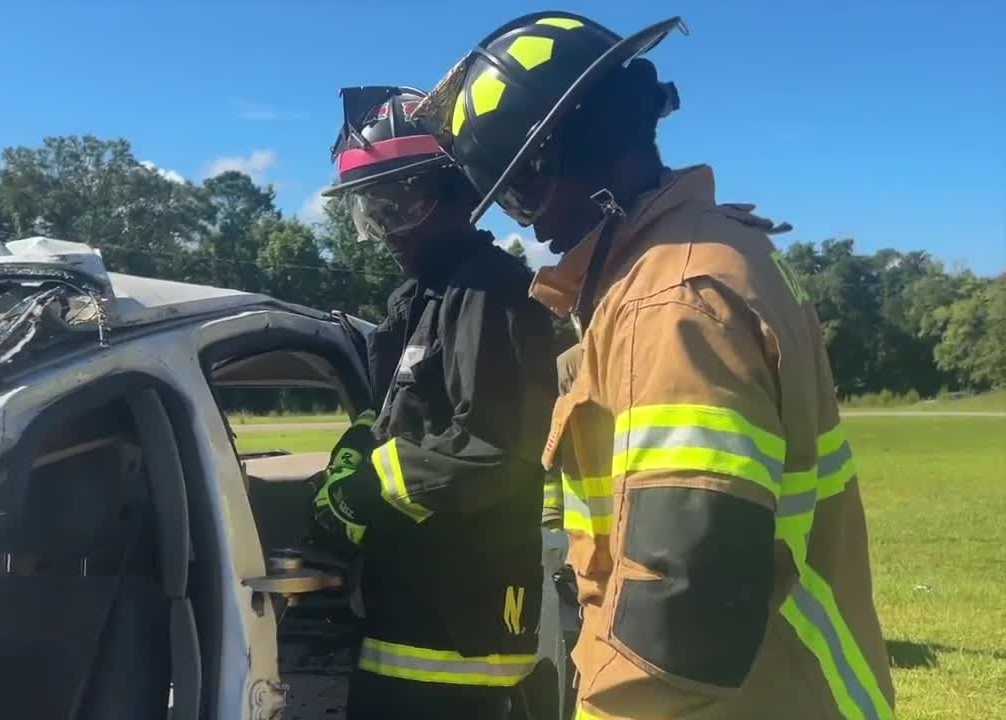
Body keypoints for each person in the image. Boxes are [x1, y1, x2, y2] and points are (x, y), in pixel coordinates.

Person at [416, 12, 896, 720]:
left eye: (522, 194)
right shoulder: (712, 255)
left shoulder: (668, 302)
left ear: (571, 155)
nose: (529, 226)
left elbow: (680, 613)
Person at [308, 85, 557, 720]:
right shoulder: (420, 303)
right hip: (406, 623)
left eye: (398, 206)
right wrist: (350, 456)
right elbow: (392, 414)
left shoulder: (491, 295)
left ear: (454, 195)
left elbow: (493, 448)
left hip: (461, 644)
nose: (384, 230)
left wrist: (365, 493)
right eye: (372, 211)